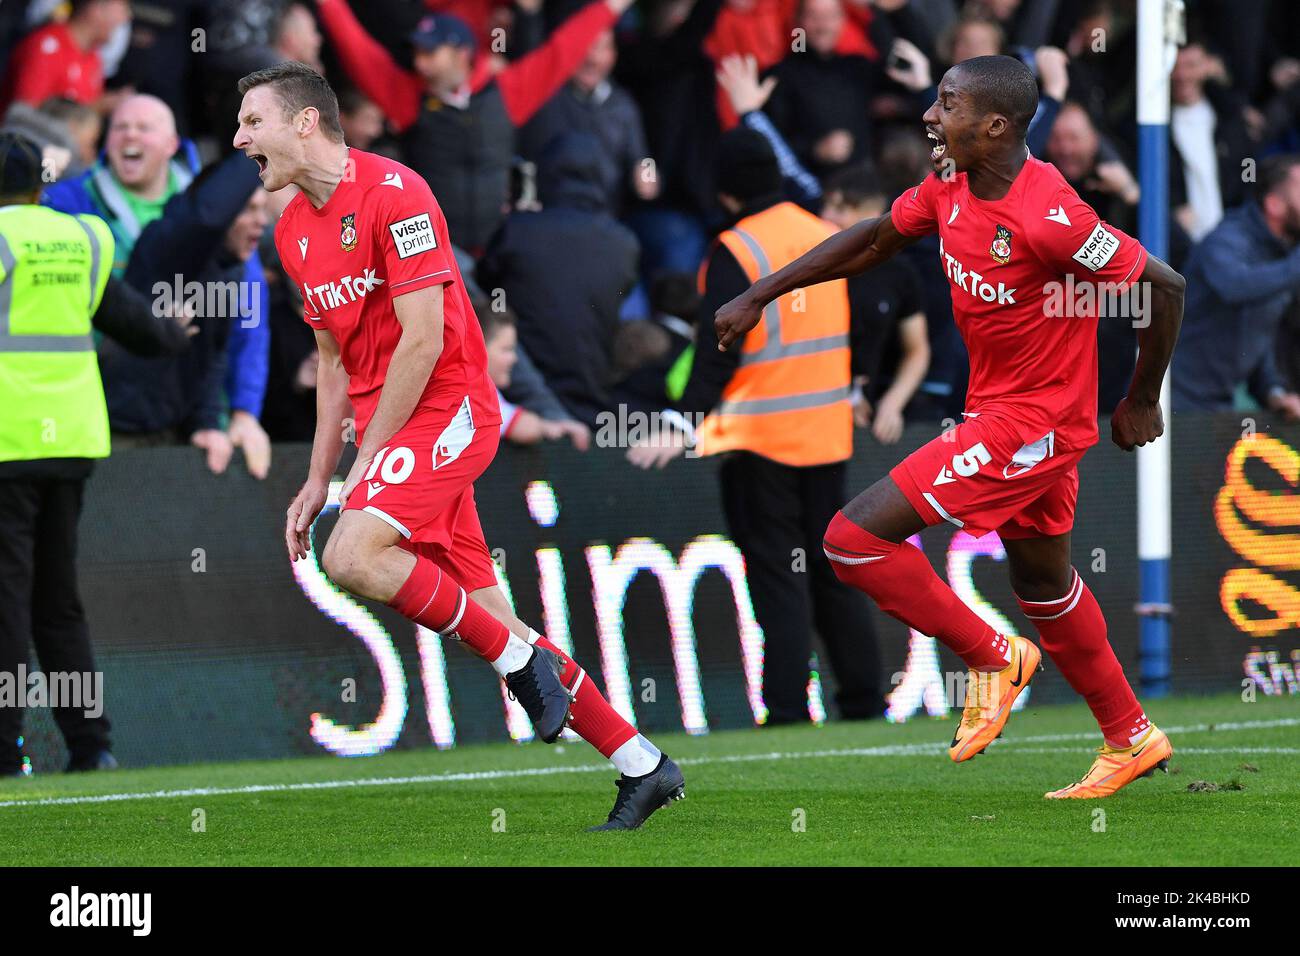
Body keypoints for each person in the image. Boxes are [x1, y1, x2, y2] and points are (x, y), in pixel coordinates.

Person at [715, 55, 1188, 799]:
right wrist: (763, 292)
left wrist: (1141, 398)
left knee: (850, 540)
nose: (931, 116)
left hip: (1030, 424)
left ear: (995, 125)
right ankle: (1131, 735)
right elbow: (873, 241)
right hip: (1003, 413)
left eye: (948, 103)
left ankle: (992, 655)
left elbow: (1165, 285)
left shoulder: (1053, 217)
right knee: (1041, 582)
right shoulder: (949, 186)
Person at [233, 61, 683, 830]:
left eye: (253, 122)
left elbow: (424, 338)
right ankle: (642, 764)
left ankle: (519, 668)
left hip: (446, 409)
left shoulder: (395, 192)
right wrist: (318, 478)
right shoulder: (291, 231)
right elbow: (334, 362)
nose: (241, 139)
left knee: (351, 555)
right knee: (493, 618)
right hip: (390, 432)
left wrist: (368, 456)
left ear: (305, 122)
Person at [631, 128, 885, 726]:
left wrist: (680, 422)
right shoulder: (827, 235)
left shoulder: (736, 248)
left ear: (723, 192)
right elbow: (873, 315)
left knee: (778, 580)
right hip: (826, 436)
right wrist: (861, 383)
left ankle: (790, 711)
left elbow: (717, 345)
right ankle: (863, 701)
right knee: (832, 569)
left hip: (759, 442)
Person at [0, 132, 192, 776]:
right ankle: (92, 746)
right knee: (57, 600)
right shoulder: (79, 237)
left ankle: (5, 752)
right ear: (41, 187)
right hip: (73, 441)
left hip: (7, 443)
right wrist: (173, 332)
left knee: (6, 600)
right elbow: (133, 325)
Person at [314, 0, 633, 251]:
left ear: (462, 54)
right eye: (417, 52)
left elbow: (562, 50)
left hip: (498, 250)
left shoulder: (507, 93)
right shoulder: (409, 97)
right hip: (436, 252)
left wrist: (611, 6)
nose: (420, 62)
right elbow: (359, 51)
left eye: (430, 52)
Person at [1172, 154, 1300, 420]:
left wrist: (1273, 391)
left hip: (1219, 407)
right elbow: (1234, 286)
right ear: (1274, 205)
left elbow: (1257, 334)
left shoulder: (1283, 255)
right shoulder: (1228, 238)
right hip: (1172, 401)